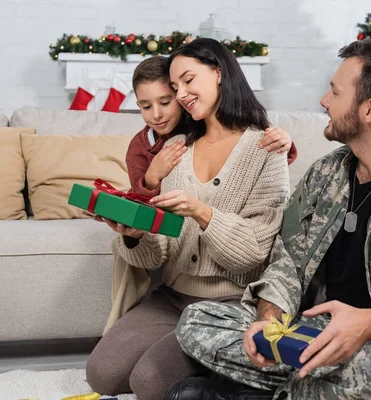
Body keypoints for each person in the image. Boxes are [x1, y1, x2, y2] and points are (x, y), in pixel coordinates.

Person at [167, 39, 371, 400]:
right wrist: (268, 325)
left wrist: (369, 324)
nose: (324, 101)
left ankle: (277, 393)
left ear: (369, 109)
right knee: (198, 320)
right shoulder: (323, 174)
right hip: (315, 336)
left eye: (335, 92)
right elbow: (287, 262)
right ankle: (319, 388)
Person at [86, 38, 291, 400]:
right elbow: (156, 254)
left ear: (218, 72)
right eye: (175, 86)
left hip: (229, 303)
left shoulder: (266, 148)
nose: (180, 94)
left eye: (187, 81)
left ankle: (235, 379)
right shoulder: (175, 147)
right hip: (172, 296)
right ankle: (207, 361)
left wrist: (202, 212)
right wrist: (134, 234)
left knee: (149, 383)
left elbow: (254, 252)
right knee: (102, 374)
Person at [124, 56, 298, 197]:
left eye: (164, 102)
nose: (156, 114)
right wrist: (151, 179)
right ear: (138, 105)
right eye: (146, 107)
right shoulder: (139, 148)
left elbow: (260, 161)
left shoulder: (202, 125)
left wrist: (283, 142)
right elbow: (139, 209)